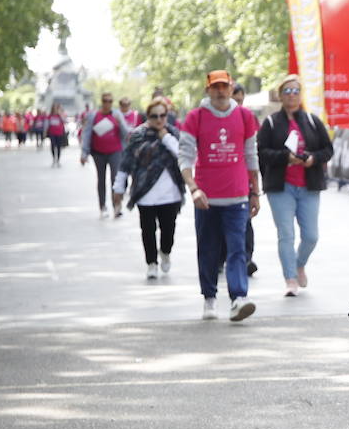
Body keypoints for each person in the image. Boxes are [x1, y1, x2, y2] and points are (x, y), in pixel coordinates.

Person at [179, 70, 261, 322]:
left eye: (224, 86)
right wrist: (193, 188)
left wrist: (255, 192)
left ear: (231, 87)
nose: (220, 91)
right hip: (206, 198)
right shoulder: (196, 117)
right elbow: (185, 157)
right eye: (215, 87)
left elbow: (250, 155)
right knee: (209, 249)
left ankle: (239, 298)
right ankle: (209, 298)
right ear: (208, 90)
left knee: (237, 249)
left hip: (237, 196)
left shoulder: (245, 116)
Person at [258, 75, 334, 296]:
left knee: (311, 236)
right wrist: (285, 157)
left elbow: (328, 150)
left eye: (295, 91)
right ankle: (290, 278)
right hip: (281, 188)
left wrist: (311, 158)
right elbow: (261, 151)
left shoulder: (312, 120)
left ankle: (299, 263)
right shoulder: (271, 122)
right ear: (280, 95)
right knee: (286, 234)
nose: (291, 95)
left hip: (308, 186)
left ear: (301, 95)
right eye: (287, 91)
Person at [111, 100, 184, 279]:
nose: (159, 120)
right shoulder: (137, 135)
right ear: (147, 117)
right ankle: (151, 262)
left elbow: (183, 156)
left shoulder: (174, 133)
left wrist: (165, 136)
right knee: (148, 231)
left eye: (162, 116)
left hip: (170, 193)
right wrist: (118, 187)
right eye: (154, 116)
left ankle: (165, 252)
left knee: (169, 231)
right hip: (145, 192)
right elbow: (126, 162)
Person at [81, 92, 131, 218]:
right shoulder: (93, 115)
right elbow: (87, 134)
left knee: (116, 179)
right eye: (105, 101)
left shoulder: (117, 114)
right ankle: (102, 206)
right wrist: (84, 153)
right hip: (98, 153)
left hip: (115, 151)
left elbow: (126, 134)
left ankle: (116, 206)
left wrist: (120, 122)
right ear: (102, 102)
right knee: (101, 179)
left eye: (110, 101)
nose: (107, 103)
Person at [232, 81, 258, 276]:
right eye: (235, 99)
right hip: (222, 180)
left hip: (243, 178)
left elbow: (252, 152)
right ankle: (221, 258)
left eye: (241, 100)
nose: (237, 103)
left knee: (246, 220)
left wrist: (255, 188)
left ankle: (247, 258)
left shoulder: (249, 118)